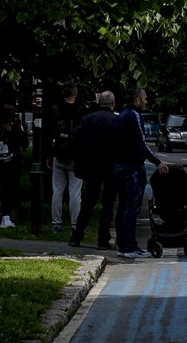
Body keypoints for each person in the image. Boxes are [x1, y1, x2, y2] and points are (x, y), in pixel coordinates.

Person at [112, 87, 169, 258]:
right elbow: (141, 144)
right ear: (137, 100)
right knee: (132, 208)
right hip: (132, 169)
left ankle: (122, 245)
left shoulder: (121, 116)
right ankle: (130, 246)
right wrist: (157, 162)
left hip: (119, 166)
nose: (146, 101)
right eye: (144, 98)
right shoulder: (134, 116)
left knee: (122, 206)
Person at [68, 91, 119, 249]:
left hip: (92, 166)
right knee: (108, 204)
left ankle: (77, 236)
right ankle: (103, 239)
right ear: (113, 104)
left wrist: (81, 155)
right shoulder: (117, 121)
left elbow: (73, 138)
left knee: (88, 202)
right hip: (111, 166)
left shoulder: (88, 119)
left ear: (99, 103)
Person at [48, 80, 85, 234]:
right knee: (75, 192)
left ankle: (56, 224)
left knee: (57, 190)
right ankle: (75, 225)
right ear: (75, 92)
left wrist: (49, 155)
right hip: (76, 156)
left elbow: (49, 133)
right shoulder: (82, 109)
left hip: (59, 154)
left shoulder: (55, 109)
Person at [0, 104, 28, 229]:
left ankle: (6, 216)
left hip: (0, 163)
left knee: (5, 188)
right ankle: (10, 215)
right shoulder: (15, 127)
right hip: (14, 161)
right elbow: (24, 143)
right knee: (13, 187)